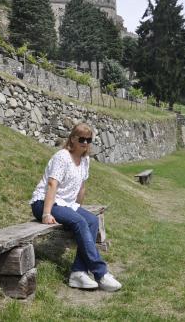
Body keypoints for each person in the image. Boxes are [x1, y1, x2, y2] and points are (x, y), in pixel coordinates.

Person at [30, 123, 122, 292]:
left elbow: (81, 188)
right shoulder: (62, 157)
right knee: (80, 222)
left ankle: (78, 272)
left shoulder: (85, 160)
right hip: (44, 203)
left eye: (88, 139)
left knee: (92, 220)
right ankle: (101, 273)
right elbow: (52, 184)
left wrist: (77, 209)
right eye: (81, 139)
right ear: (72, 138)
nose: (85, 143)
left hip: (65, 204)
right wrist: (46, 214)